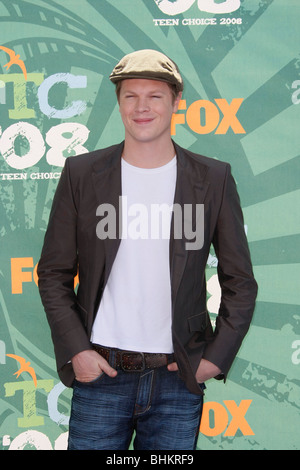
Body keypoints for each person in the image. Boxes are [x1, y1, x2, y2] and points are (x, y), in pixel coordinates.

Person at [37, 49, 257, 450]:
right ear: (119, 102)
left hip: (178, 377)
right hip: (102, 373)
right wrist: (77, 351)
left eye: (154, 96)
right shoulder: (82, 174)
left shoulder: (213, 178)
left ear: (176, 101)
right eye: (130, 96)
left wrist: (215, 357)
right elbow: (52, 273)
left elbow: (240, 281)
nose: (141, 107)